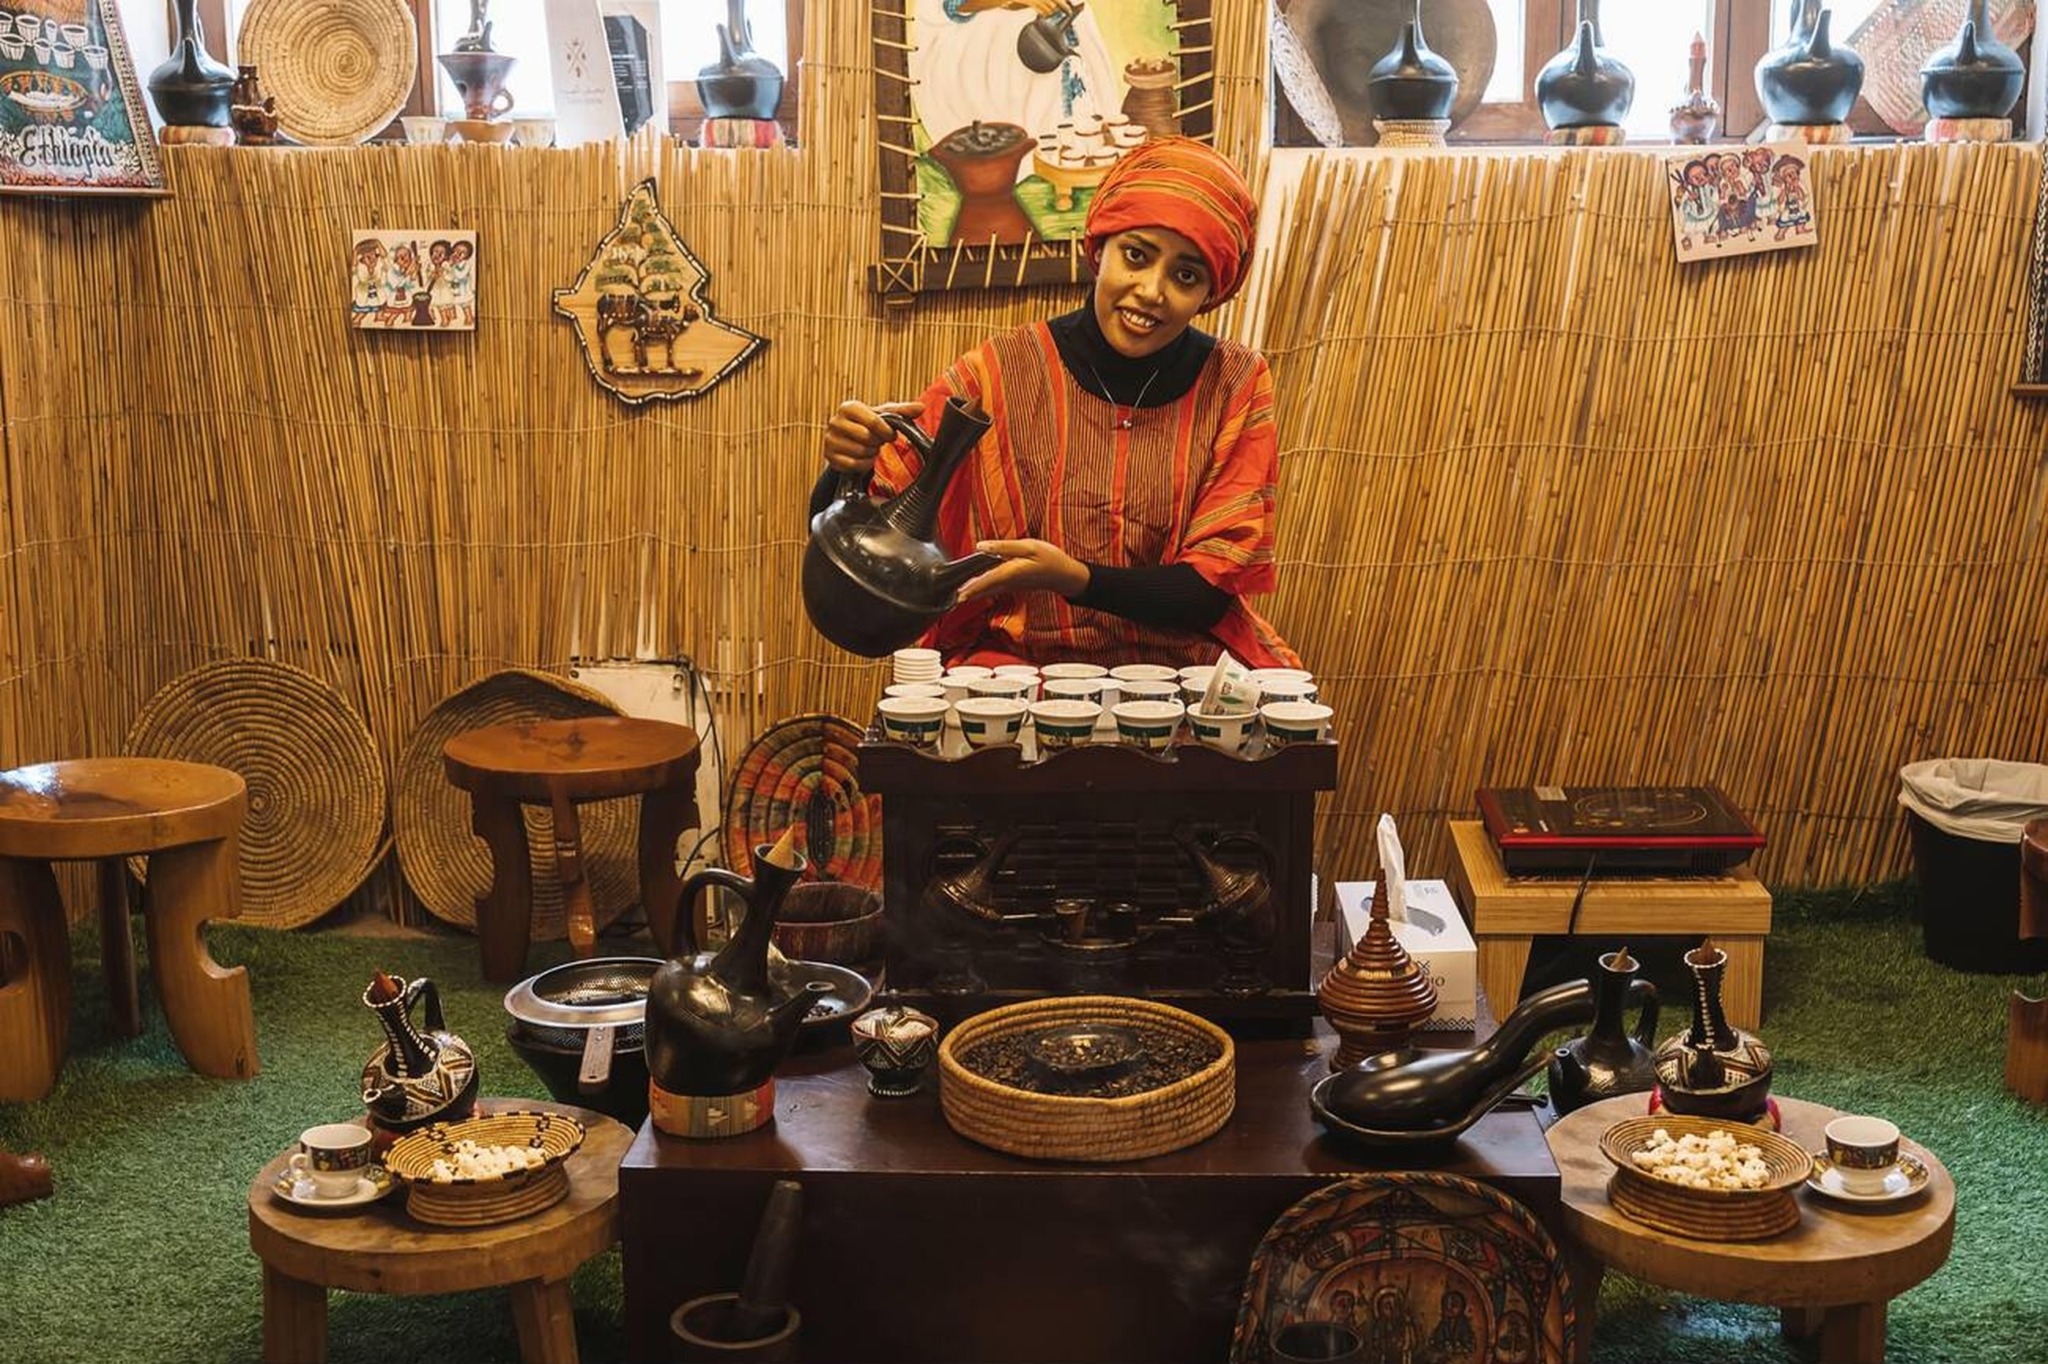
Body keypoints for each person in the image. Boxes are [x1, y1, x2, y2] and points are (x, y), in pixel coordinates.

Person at [815, 137, 1299, 669]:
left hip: (1183, 661)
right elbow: (860, 540)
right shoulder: (997, 375)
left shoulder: (1234, 384)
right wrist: (849, 465)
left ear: (1211, 292)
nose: (1151, 291)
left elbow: (1207, 592)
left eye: (1186, 275)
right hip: (1016, 660)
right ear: (1100, 247)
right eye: (1136, 256)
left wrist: (1075, 580)